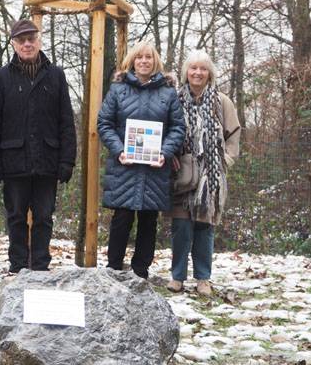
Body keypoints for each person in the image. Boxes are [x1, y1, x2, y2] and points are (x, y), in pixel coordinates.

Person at [0, 19, 76, 273]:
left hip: (47, 159)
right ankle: (17, 266)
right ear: (14, 44)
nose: (27, 44)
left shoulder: (55, 75)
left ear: (39, 41)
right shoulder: (3, 77)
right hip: (14, 160)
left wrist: (67, 160)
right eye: (21, 40)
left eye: (31, 39)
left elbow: (66, 121)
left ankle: (40, 266)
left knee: (44, 217)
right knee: (15, 217)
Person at [97, 41, 185, 279]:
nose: (144, 61)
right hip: (124, 166)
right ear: (132, 61)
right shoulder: (118, 89)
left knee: (148, 220)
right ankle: (113, 268)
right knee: (121, 218)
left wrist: (164, 153)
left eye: (149, 57)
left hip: (154, 169)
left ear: (155, 61)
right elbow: (104, 124)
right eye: (140, 57)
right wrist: (119, 150)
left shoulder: (168, 93)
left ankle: (140, 272)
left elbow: (178, 128)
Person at [166, 50, 240, 296]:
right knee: (181, 226)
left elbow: (233, 134)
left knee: (204, 228)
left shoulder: (222, 102)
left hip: (211, 176)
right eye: (193, 68)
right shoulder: (174, 99)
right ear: (186, 72)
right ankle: (177, 277)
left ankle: (203, 278)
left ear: (210, 73)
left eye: (203, 69)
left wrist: (224, 161)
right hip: (182, 174)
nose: (198, 73)